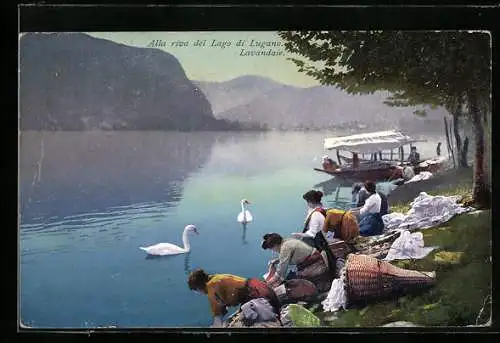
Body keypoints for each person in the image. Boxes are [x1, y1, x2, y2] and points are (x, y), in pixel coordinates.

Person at [187, 269, 281, 327]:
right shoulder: (216, 279)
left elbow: (217, 315)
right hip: (262, 288)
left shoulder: (211, 286)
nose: (199, 293)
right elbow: (222, 307)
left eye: (197, 291)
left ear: (199, 287)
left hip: (257, 295)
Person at [261, 233, 334, 292]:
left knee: (291, 285)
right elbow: (288, 258)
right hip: (316, 262)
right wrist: (277, 261)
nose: (273, 251)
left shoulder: (285, 247)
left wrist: (268, 283)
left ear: (275, 245)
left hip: (314, 266)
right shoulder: (288, 241)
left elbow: (281, 271)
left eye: (272, 249)